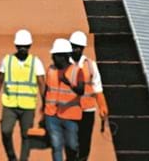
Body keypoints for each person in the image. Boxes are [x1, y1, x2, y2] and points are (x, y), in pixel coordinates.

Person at [0, 29, 46, 161]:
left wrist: (46, 105)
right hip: (10, 105)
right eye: (20, 46)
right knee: (5, 130)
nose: (22, 49)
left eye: (25, 46)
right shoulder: (7, 61)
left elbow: (42, 85)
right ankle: (12, 157)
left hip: (28, 106)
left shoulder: (35, 62)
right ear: (16, 46)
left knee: (26, 136)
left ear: (30, 46)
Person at [69, 31, 109, 161]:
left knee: (85, 142)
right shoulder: (64, 64)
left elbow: (98, 89)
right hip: (69, 110)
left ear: (83, 48)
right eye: (73, 46)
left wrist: (102, 107)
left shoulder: (91, 65)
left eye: (78, 47)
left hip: (87, 110)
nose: (75, 49)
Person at [43, 38, 84, 161]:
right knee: (56, 146)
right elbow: (47, 89)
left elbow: (81, 90)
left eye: (56, 55)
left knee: (72, 146)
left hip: (70, 116)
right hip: (51, 115)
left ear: (65, 56)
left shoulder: (77, 71)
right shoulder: (50, 69)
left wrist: (69, 83)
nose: (53, 58)